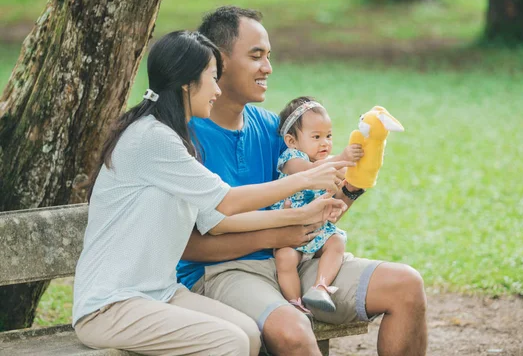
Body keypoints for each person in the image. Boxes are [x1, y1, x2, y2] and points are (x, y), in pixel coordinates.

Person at [72, 31, 350, 356]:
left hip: (159, 293)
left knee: (248, 334)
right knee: (228, 342)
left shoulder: (176, 141)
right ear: (187, 84)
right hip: (110, 305)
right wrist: (306, 179)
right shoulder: (151, 138)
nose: (218, 90)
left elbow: (217, 218)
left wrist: (300, 216)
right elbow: (228, 200)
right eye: (212, 79)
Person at [177, 6, 428, 356]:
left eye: (269, 56)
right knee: (294, 331)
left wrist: (352, 185)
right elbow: (188, 247)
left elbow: (316, 208)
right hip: (222, 273)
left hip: (297, 260)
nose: (268, 67)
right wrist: (278, 236)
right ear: (218, 60)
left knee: (406, 285)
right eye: (256, 56)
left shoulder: (271, 127)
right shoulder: (183, 136)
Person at [270, 96, 363, 314]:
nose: (325, 143)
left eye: (329, 136)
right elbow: (309, 172)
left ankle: (320, 286)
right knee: (284, 259)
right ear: (292, 141)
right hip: (289, 233)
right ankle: (295, 303)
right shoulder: (291, 158)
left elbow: (346, 181)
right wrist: (340, 158)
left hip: (317, 232)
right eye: (316, 136)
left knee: (337, 241)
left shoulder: (328, 161)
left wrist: (360, 166)